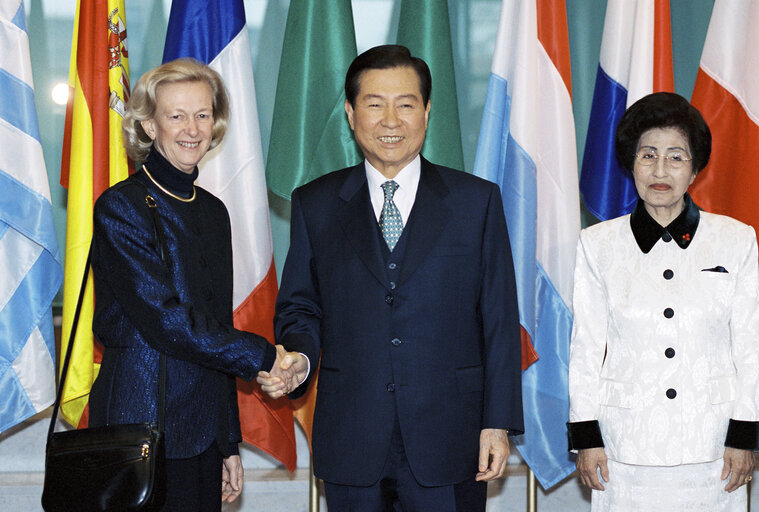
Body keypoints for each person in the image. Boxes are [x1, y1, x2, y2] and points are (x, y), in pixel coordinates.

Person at [257, 44, 523, 511]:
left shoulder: (475, 202)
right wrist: (299, 355)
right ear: (350, 112)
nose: (390, 120)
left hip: (452, 438)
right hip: (352, 435)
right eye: (374, 104)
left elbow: (499, 319)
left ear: (427, 111)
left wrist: (497, 423)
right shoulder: (315, 204)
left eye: (406, 104)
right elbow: (301, 305)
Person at [88, 58, 303, 511]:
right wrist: (264, 356)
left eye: (202, 114)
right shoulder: (121, 208)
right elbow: (166, 320)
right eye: (176, 115)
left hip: (202, 431)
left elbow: (214, 324)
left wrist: (227, 441)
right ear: (149, 125)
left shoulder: (211, 210)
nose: (192, 128)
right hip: (141, 426)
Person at [567, 92, 759, 511]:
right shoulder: (597, 245)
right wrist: (586, 436)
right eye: (648, 155)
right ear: (631, 163)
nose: (660, 170)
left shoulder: (735, 240)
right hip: (623, 448)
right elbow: (585, 348)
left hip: (714, 448)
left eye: (676, 157)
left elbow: (750, 347)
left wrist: (744, 434)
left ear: (695, 169)